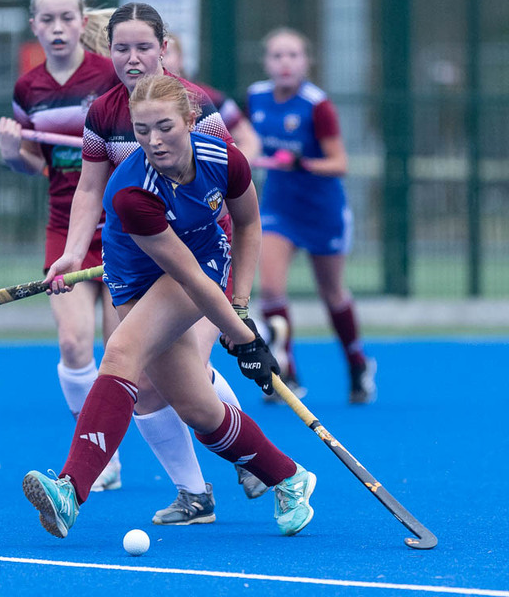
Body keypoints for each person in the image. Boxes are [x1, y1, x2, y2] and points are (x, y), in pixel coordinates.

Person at [0, 0, 264, 518]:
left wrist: (238, 300)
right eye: (122, 48)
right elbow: (88, 190)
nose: (132, 58)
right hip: (144, 261)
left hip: (201, 259)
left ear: (164, 48)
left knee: (182, 371)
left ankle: (258, 463)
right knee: (153, 382)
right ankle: (198, 493)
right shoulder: (102, 112)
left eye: (143, 47)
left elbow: (231, 197)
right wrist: (73, 252)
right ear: (109, 50)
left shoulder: (192, 106)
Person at [23, 74, 317, 540]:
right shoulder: (132, 192)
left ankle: (69, 490)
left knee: (121, 354)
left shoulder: (226, 160)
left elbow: (245, 226)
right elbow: (182, 276)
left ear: (191, 120)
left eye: (165, 127)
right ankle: (289, 476)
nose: (154, 141)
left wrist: (241, 316)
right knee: (199, 408)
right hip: (135, 281)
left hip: (202, 261)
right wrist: (245, 339)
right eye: (142, 131)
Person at [0, 0, 122, 493]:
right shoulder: (28, 89)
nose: (57, 28)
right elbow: (35, 163)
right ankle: (99, 456)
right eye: (47, 20)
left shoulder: (110, 74)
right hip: (66, 227)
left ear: (82, 21)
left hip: (125, 228)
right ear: (34, 26)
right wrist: (12, 153)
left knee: (124, 353)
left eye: (67, 18)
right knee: (72, 343)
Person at [246, 27, 377, 404]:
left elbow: (340, 163)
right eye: (277, 55)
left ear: (306, 61)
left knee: (332, 293)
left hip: (322, 212)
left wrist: (301, 162)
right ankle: (285, 373)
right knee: (271, 289)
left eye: (293, 55)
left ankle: (357, 364)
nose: (285, 63)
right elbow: (243, 140)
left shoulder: (317, 106)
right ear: (266, 62)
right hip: (279, 209)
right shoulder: (255, 97)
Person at [162, 32, 261, 163]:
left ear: (180, 59)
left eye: (166, 53)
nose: (160, 59)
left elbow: (249, 141)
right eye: (154, 54)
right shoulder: (136, 101)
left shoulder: (207, 98)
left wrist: (230, 171)